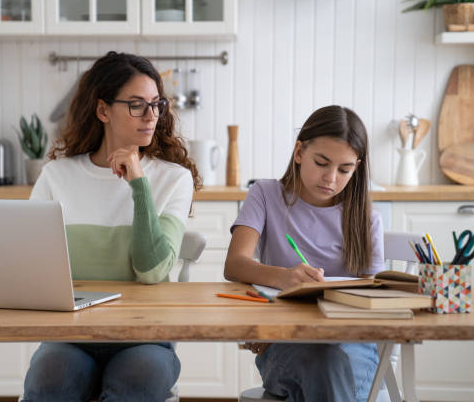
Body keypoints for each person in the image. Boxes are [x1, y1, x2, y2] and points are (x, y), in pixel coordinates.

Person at [22, 51, 200, 402]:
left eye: (156, 104)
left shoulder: (173, 179)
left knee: (140, 378)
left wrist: (139, 185)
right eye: (136, 105)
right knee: (49, 379)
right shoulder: (56, 177)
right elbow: (31, 268)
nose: (151, 116)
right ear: (103, 111)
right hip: (70, 337)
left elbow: (152, 271)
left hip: (145, 337)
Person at [224, 105, 384, 402]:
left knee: (335, 372)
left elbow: (371, 301)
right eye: (321, 162)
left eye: (345, 169)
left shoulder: (367, 219)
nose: (331, 178)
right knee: (326, 368)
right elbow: (235, 264)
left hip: (353, 344)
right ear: (299, 152)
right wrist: (285, 278)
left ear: (357, 167)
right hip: (286, 342)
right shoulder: (265, 194)